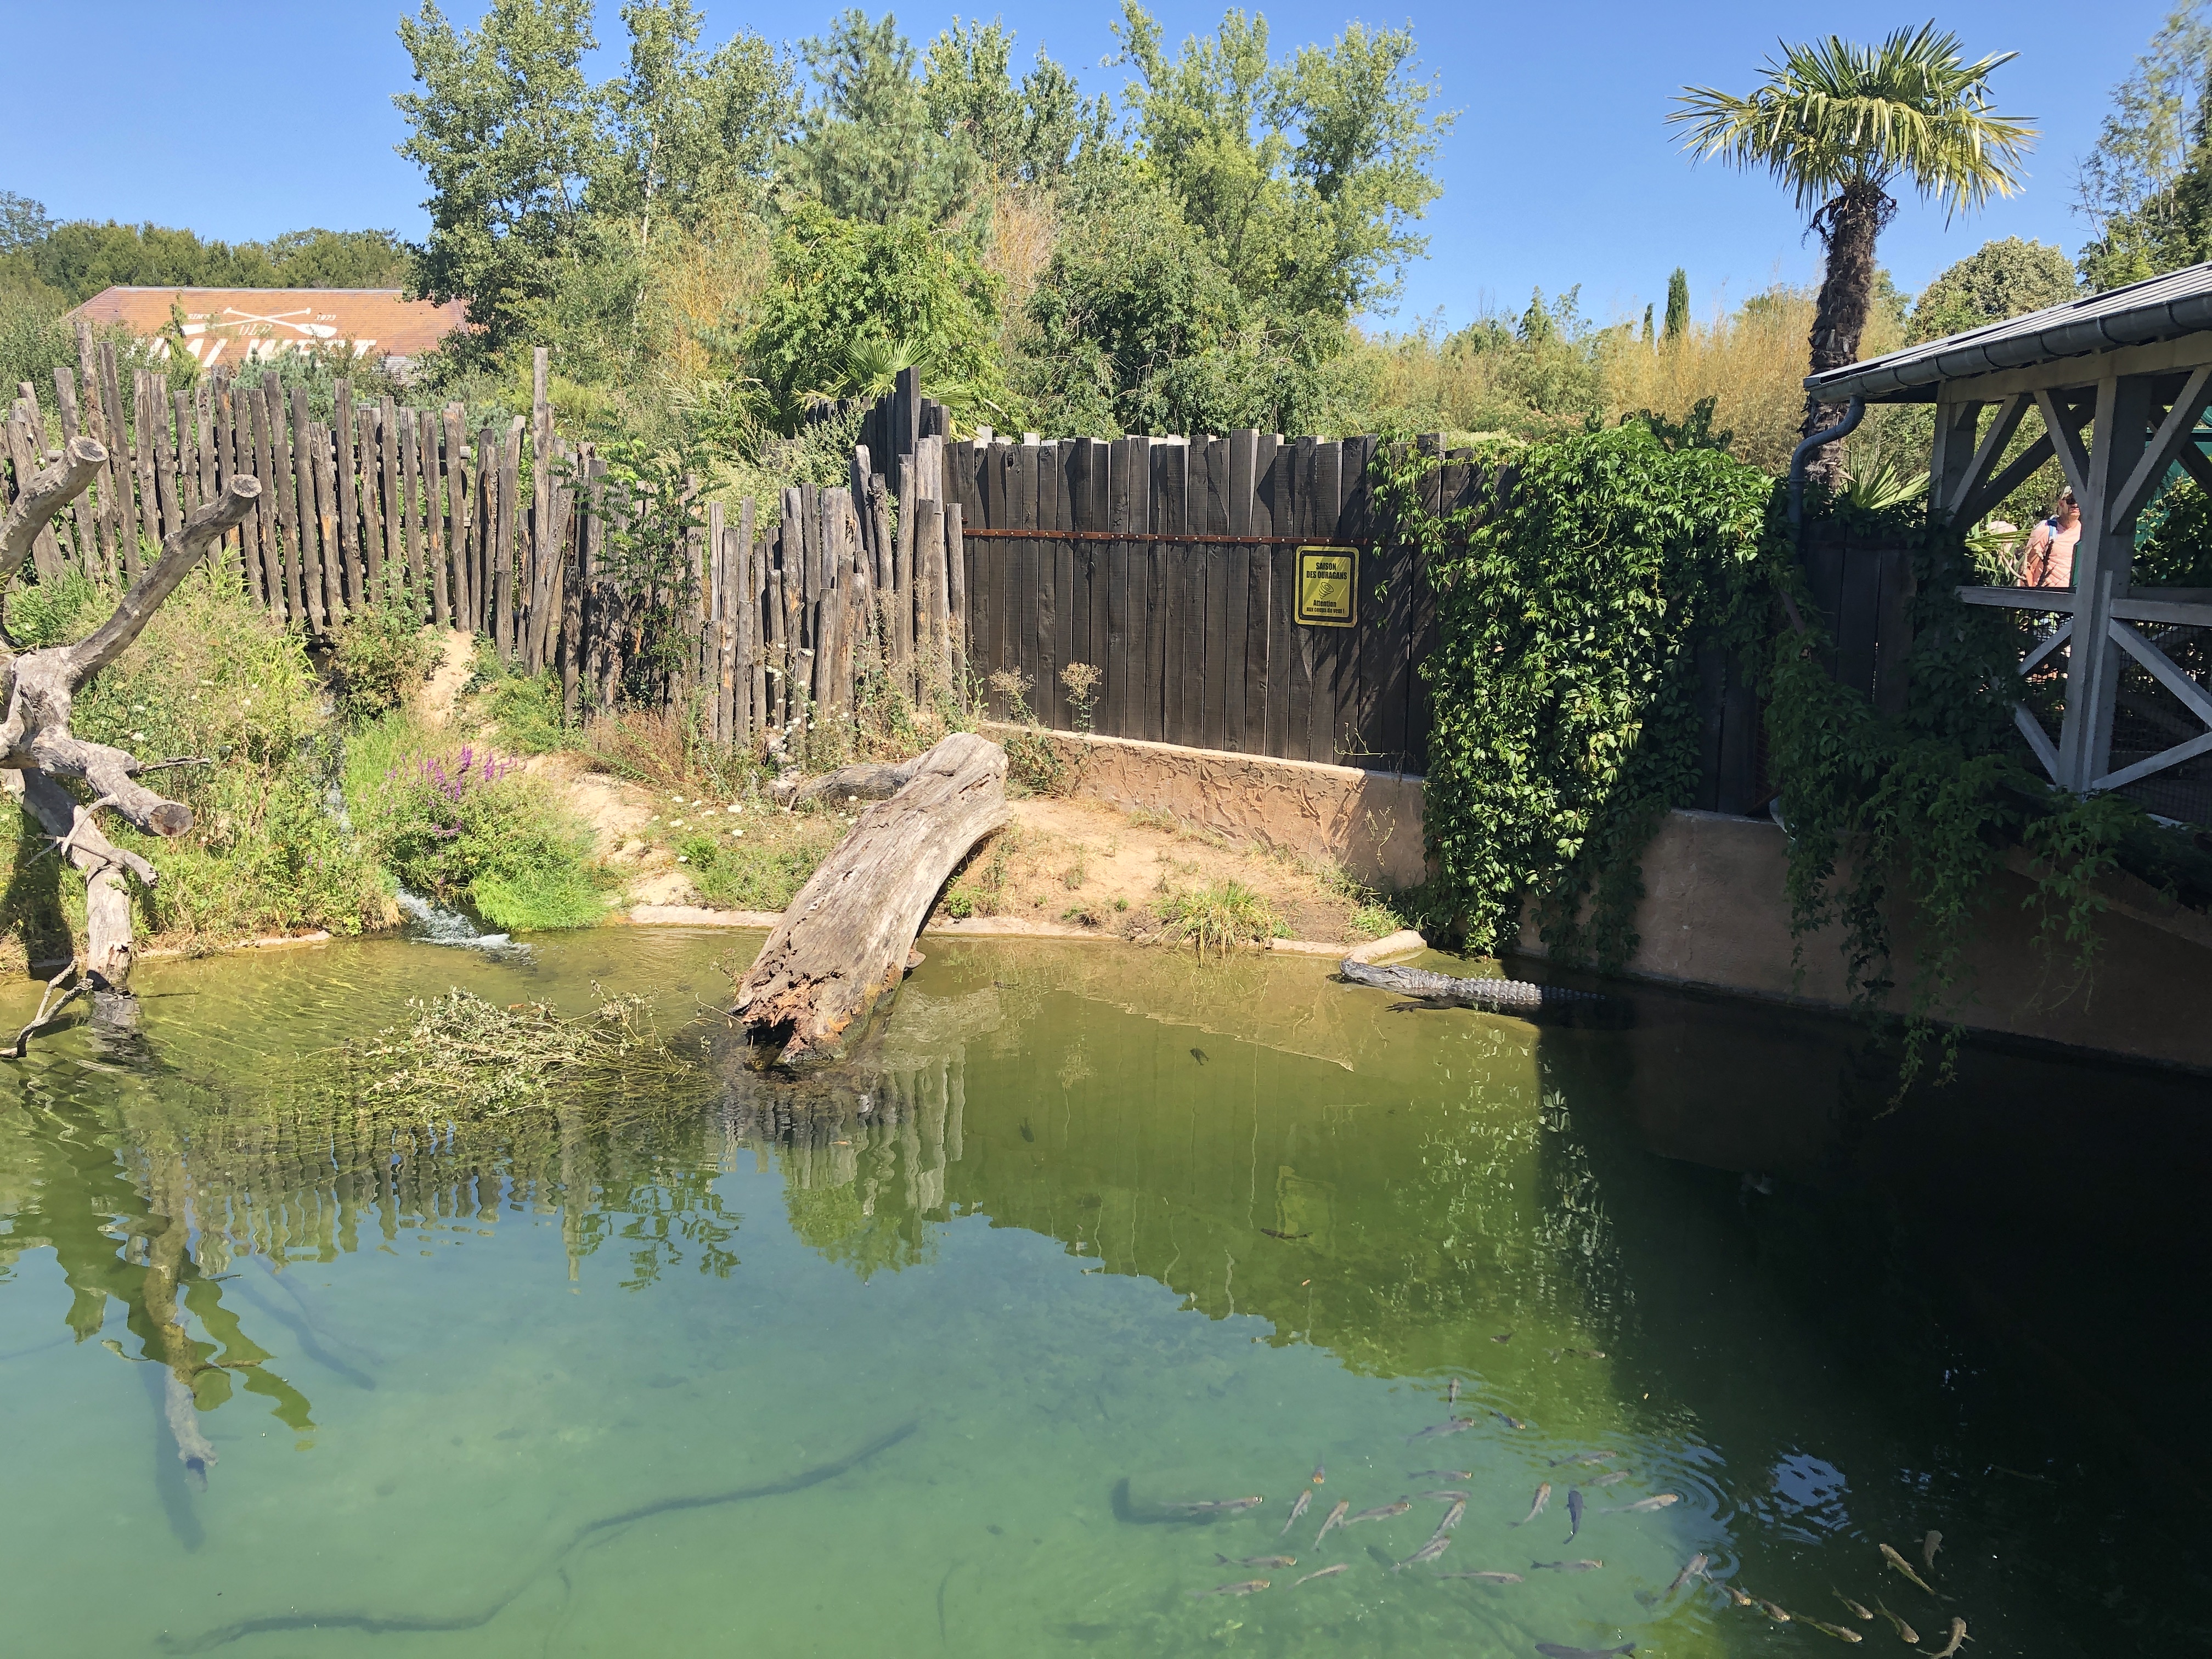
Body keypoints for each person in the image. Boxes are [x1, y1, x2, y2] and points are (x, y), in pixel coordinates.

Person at [2019, 488, 2081, 588]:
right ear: (2061, 504)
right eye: (2071, 501)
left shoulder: (2086, 532)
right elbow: (2028, 567)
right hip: (2047, 595)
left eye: (2079, 500)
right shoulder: (2045, 530)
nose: (2076, 505)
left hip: (2073, 596)